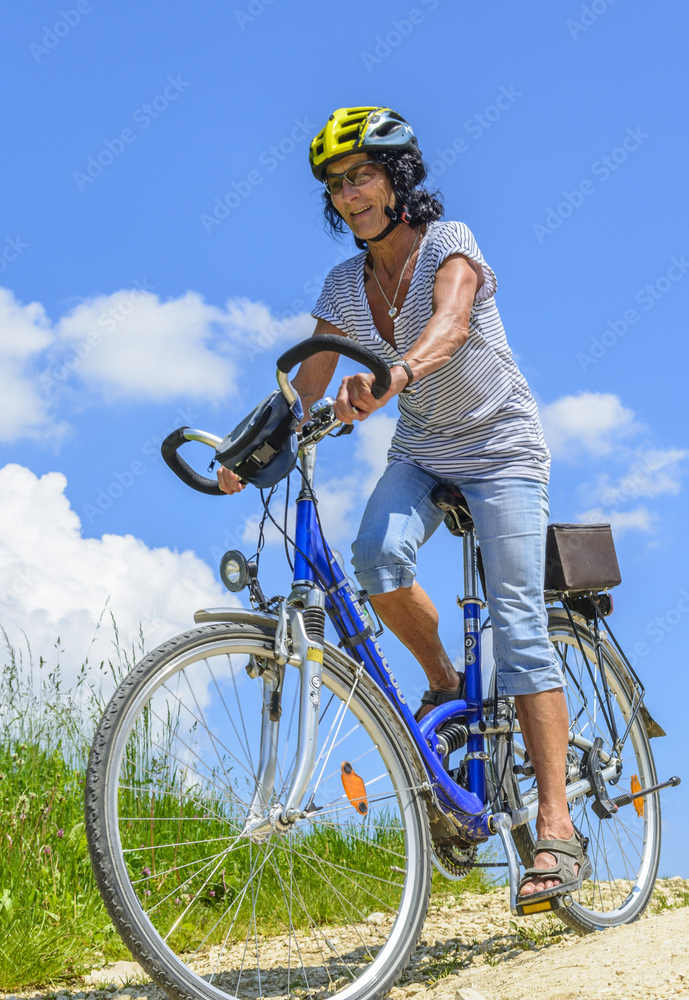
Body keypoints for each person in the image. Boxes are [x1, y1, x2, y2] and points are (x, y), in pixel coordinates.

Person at [217, 106, 589, 903]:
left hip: (501, 450)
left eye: (363, 176)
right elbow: (306, 380)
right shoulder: (344, 287)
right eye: (337, 185)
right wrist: (244, 453)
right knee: (375, 559)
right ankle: (447, 684)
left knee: (518, 621)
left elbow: (452, 324)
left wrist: (394, 376)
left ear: (398, 178)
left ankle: (554, 826)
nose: (351, 194)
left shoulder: (449, 244)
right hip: (422, 451)